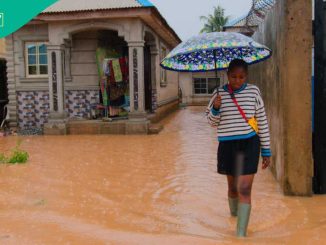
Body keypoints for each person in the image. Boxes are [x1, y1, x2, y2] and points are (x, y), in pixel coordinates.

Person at [206, 59, 271, 237]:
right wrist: (216, 109)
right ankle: (234, 217)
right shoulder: (217, 94)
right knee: (233, 188)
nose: (237, 80)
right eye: (233, 76)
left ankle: (240, 235)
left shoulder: (254, 91)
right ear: (227, 75)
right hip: (227, 145)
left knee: (244, 188)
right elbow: (211, 123)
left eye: (241, 77)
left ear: (246, 76)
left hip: (249, 144)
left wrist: (266, 150)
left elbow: (262, 121)